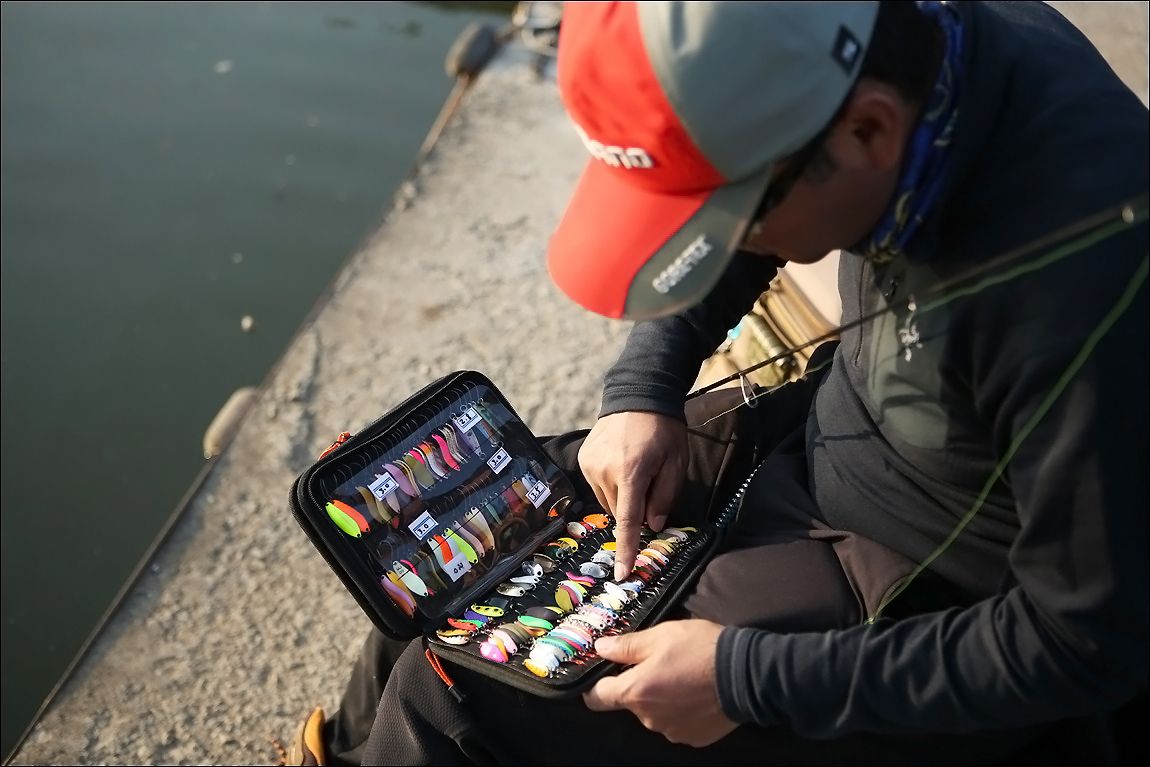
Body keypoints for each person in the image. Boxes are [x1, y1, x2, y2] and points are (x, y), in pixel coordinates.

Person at [282, 1, 1148, 764]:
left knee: (452, 693)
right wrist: (644, 386)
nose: (717, 243)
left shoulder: (1078, 299)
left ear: (868, 134)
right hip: (823, 435)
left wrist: (745, 680)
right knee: (453, 545)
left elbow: (1086, 643)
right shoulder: (903, 46)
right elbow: (753, 202)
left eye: (720, 219)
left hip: (921, 592)